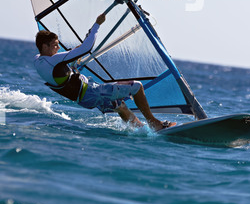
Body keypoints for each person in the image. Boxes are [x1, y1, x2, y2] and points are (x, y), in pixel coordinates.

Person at [34, 13, 175, 131]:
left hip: (84, 100)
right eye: (55, 45)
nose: (58, 48)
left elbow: (62, 67)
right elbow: (86, 48)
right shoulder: (53, 60)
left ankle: (140, 129)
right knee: (137, 86)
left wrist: (74, 55)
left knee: (120, 106)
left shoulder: (39, 61)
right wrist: (97, 25)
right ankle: (154, 124)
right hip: (92, 92)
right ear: (44, 46)